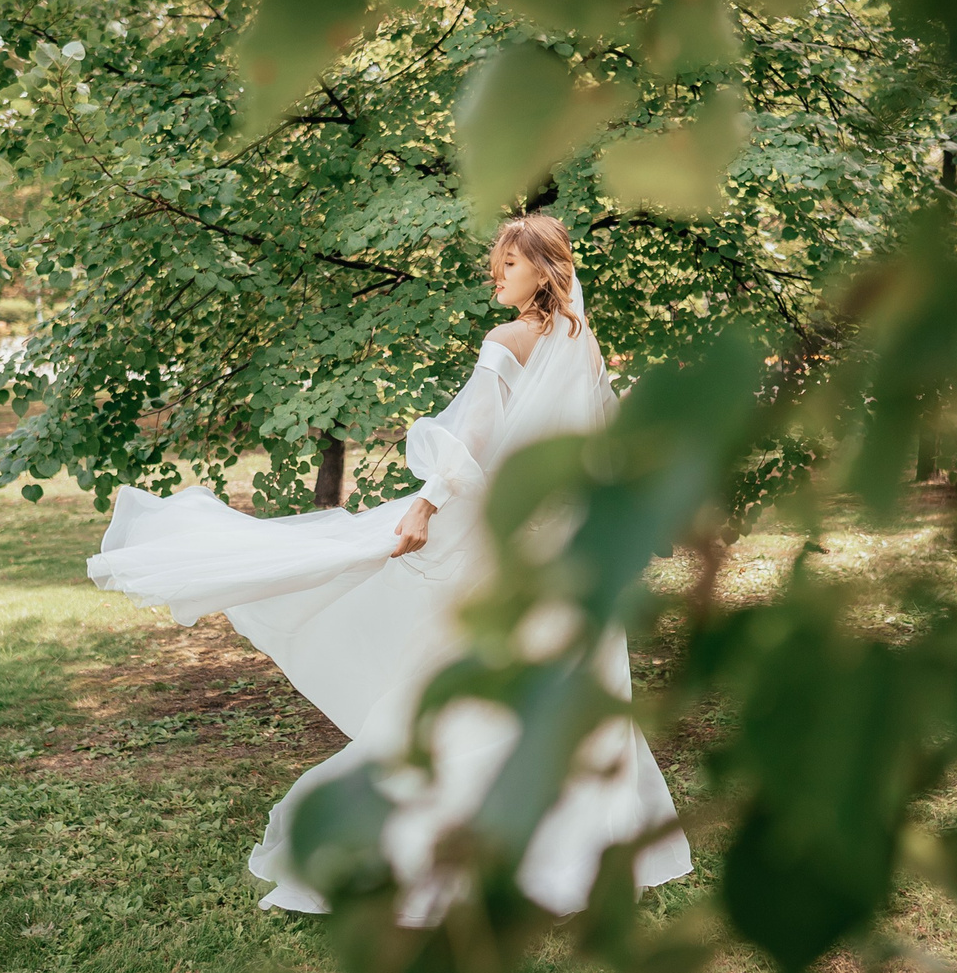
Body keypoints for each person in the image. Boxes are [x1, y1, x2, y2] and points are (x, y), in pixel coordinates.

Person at [85, 214, 691, 924]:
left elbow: (472, 444)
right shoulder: (580, 344)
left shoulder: (512, 345)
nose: (495, 275)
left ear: (545, 271)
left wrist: (424, 507)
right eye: (495, 263)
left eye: (508, 265)